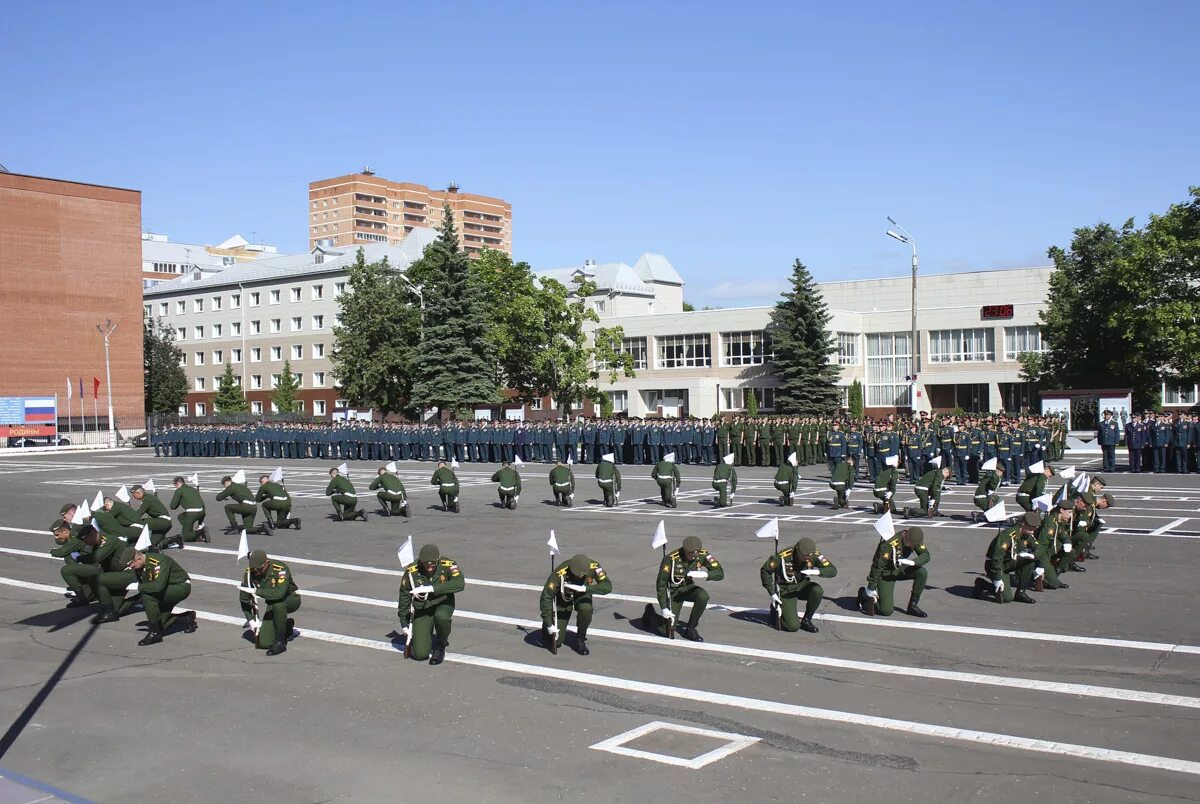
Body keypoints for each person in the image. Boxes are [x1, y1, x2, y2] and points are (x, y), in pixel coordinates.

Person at [644, 535, 724, 642]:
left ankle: (690, 628)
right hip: (673, 592)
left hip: (688, 588)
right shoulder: (671, 559)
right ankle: (651, 614)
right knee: (667, 632)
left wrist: (705, 574)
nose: (694, 557)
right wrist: (664, 608)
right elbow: (661, 584)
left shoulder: (702, 554)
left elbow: (720, 573)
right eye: (691, 555)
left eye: (696, 555)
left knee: (703, 596)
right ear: (685, 550)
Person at [398, 544, 463, 665]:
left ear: (438, 558)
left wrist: (432, 588)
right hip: (424, 607)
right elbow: (404, 594)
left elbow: (459, 583)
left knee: (442, 617)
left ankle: (441, 643)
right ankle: (423, 635)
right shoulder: (412, 570)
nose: (429, 567)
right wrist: (403, 620)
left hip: (443, 602)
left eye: (432, 563)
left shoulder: (448, 564)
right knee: (420, 654)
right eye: (425, 563)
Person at [121, 546, 197, 645]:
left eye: (132, 564)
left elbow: (157, 587)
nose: (131, 567)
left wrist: (139, 587)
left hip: (180, 586)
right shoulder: (140, 566)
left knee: (148, 596)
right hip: (166, 589)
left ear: (139, 558)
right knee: (161, 623)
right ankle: (187, 618)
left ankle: (154, 633)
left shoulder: (158, 561)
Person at [540, 553, 612, 655]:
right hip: (564, 595)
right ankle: (548, 628)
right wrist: (548, 623)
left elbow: (607, 586)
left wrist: (586, 588)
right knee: (556, 641)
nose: (580, 576)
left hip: (582, 592)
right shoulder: (560, 572)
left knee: (586, 609)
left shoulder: (594, 566)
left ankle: (580, 640)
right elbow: (546, 596)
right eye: (577, 574)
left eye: (582, 574)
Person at [760, 537, 836, 634]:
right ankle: (775, 611)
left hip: (801, 586)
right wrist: (772, 593)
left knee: (817, 591)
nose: (807, 558)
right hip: (786, 590)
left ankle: (806, 620)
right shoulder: (783, 556)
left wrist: (816, 571)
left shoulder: (814, 555)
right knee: (793, 626)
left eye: (809, 555)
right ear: (798, 551)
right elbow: (765, 571)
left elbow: (833, 570)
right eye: (804, 556)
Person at [858, 526, 930, 618]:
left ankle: (912, 606)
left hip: (899, 569)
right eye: (911, 544)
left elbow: (926, 555)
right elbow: (877, 567)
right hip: (886, 574)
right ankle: (864, 595)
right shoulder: (889, 544)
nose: (913, 547)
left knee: (922, 572)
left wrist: (912, 562)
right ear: (906, 537)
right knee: (886, 610)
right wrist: (871, 588)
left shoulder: (914, 539)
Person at [240, 549, 301, 656]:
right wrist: (251, 620)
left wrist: (256, 591)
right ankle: (286, 627)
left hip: (290, 599)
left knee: (278, 604)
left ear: (267, 563)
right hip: (272, 604)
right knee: (264, 643)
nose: (257, 572)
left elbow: (279, 593)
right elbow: (244, 599)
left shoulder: (280, 569)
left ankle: (280, 642)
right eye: (254, 569)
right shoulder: (250, 573)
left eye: (259, 569)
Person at [975, 512, 1039, 603]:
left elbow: (1038, 548)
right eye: (1031, 529)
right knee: (1007, 598)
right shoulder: (1007, 536)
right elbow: (997, 558)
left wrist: (1033, 555)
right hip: (995, 566)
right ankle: (982, 584)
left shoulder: (1026, 535)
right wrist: (997, 578)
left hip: (1009, 563)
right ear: (1023, 524)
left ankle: (1020, 592)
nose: (1032, 532)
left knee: (1030, 561)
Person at [52, 520, 97, 607]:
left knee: (66, 570)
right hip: (89, 561)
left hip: (95, 565)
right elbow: (60, 542)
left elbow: (61, 552)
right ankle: (89, 593)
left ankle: (82, 597)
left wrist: (52, 551)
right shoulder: (70, 535)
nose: (56, 537)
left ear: (65, 531)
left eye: (57, 534)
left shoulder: (76, 537)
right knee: (70, 557)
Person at [1035, 499, 1076, 589]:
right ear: (1061, 510)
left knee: (1071, 552)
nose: (1070, 515)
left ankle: (1054, 575)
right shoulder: (1050, 522)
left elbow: (1063, 535)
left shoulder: (1058, 521)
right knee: (1054, 584)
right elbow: (1041, 544)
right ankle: (1038, 577)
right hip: (1043, 553)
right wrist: (1041, 564)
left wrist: (1067, 543)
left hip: (1050, 549)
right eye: (1069, 512)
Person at [131, 484, 178, 550]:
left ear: (137, 493)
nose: (134, 497)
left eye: (134, 495)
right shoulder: (149, 497)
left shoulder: (147, 499)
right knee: (152, 545)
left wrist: (128, 518)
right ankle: (175, 539)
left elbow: (139, 513)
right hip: (165, 524)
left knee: (142, 522)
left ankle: (134, 540)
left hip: (163, 521)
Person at [169, 476, 209, 544]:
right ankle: (190, 531)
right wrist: (201, 521)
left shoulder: (179, 491)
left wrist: (179, 501)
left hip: (192, 514)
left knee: (186, 537)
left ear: (178, 483)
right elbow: (202, 503)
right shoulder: (193, 489)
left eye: (175, 484)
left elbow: (172, 506)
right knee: (181, 517)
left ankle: (200, 532)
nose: (175, 486)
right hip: (202, 512)